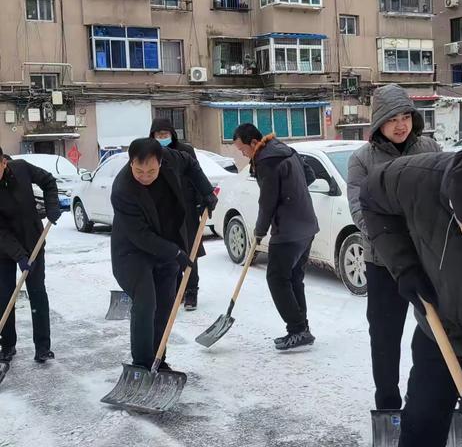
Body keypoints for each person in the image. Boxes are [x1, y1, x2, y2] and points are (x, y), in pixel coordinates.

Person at [360, 146, 462, 446]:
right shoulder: (417, 178)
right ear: (451, 204)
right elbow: (371, 198)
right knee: (422, 420)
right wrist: (404, 267)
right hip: (440, 326)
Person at [347, 83, 441, 410]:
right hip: (383, 263)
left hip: (430, 258)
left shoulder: (429, 147)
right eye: (392, 119)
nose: (401, 125)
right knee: (386, 337)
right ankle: (388, 404)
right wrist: (397, 244)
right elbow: (361, 213)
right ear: (378, 123)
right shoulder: (363, 160)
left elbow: (445, 196)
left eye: (406, 117)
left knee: (442, 332)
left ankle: (441, 400)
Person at [110, 138, 217, 370]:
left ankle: (158, 359)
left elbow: (190, 164)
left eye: (151, 170)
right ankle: (141, 363)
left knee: (165, 303)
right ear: (131, 164)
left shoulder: (171, 158)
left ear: (161, 162)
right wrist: (176, 252)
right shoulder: (122, 190)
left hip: (168, 241)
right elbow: (140, 235)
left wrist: (206, 191)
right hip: (132, 251)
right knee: (146, 301)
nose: (145, 176)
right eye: (139, 170)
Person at [233, 124, 318, 350]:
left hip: (288, 231)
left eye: (243, 150)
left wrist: (259, 231)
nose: (244, 155)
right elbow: (309, 175)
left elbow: (267, 202)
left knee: (277, 279)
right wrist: (292, 193)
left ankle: (298, 329)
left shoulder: (265, 160)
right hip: (307, 225)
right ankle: (302, 329)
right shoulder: (284, 149)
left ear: (253, 143)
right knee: (293, 278)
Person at [0, 146, 61, 363]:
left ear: (3, 162)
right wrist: (19, 256)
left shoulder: (22, 169)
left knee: (37, 292)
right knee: (4, 294)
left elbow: (48, 181)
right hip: (4, 249)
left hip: (33, 240)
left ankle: (42, 347)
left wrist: (52, 206)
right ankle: (7, 345)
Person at [149, 118, 204, 311]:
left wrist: (202, 200)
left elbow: (197, 174)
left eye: (165, 134)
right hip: (166, 209)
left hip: (187, 208)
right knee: (171, 250)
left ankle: (191, 291)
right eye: (158, 135)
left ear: (172, 133)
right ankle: (176, 289)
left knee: (189, 249)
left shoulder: (185, 151)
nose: (162, 138)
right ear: (153, 136)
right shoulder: (153, 153)